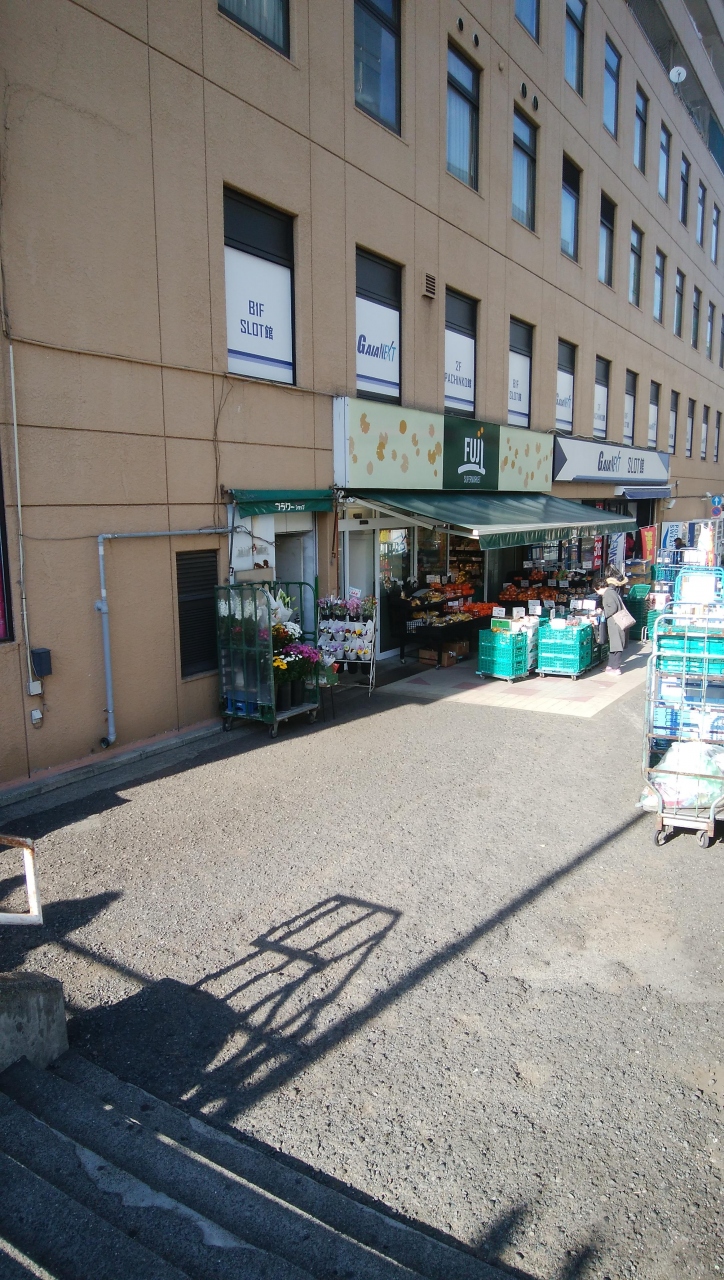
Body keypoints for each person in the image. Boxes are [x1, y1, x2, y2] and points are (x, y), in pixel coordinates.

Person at [594, 565, 628, 676]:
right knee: (614, 645)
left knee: (616, 646)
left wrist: (603, 613)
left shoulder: (608, 593)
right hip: (615, 623)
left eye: (596, 591)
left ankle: (616, 668)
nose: (597, 593)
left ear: (599, 588)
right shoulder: (611, 591)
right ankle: (611, 666)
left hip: (615, 623)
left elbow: (612, 608)